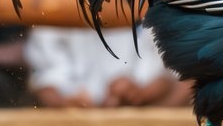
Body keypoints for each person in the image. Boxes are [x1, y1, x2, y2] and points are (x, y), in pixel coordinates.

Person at [25, 26, 190, 109]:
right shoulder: (57, 4)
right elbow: (45, 81)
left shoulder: (150, 0)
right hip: (76, 121)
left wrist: (140, 93)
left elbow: (174, 77)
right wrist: (65, 103)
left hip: (143, 110)